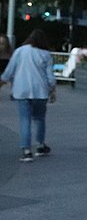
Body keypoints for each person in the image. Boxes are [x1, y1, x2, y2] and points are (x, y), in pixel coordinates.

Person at [0, 29, 56, 161]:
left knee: (25, 120)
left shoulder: (20, 51)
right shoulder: (46, 54)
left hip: (21, 91)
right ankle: (41, 145)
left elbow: (9, 70)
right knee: (39, 119)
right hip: (40, 92)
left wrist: (2, 81)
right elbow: (50, 76)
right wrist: (53, 91)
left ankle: (26, 151)